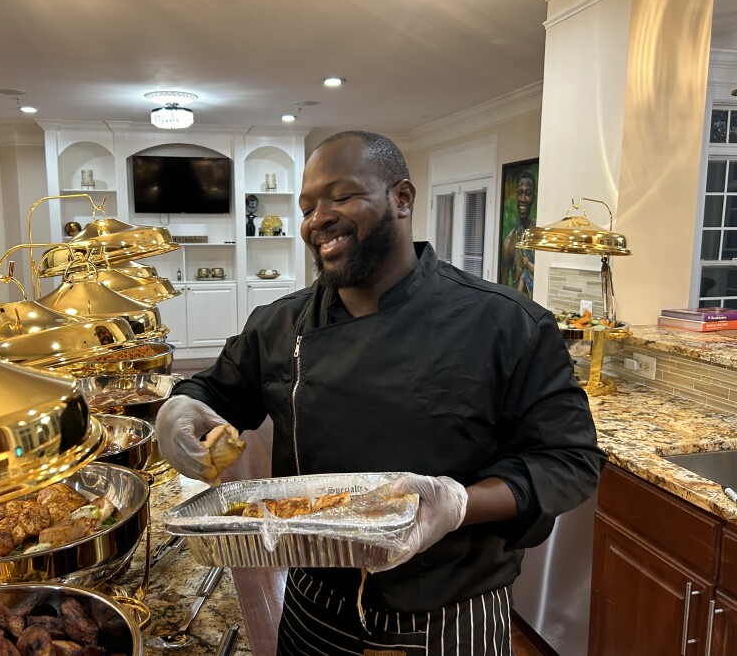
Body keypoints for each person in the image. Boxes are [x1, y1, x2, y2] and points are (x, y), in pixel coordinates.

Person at [156, 131, 605, 654]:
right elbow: (215, 390)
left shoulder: (507, 324)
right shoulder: (279, 324)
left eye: (341, 196)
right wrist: (180, 406)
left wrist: (458, 504)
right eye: (307, 206)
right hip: (314, 609)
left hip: (451, 616)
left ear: (402, 198)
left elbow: (570, 460)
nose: (317, 218)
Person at [499, 169, 536, 298]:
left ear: (534, 198)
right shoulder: (509, 243)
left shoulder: (539, 235)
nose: (523, 199)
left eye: (528, 193)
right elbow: (502, 290)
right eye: (520, 193)